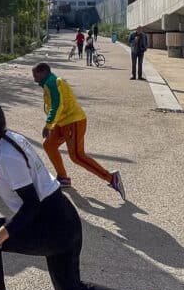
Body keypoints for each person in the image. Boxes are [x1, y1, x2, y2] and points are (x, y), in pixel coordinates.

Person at [0, 100, 166, 290]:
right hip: (63, 220)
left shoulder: (7, 154)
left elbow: (31, 204)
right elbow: (9, 183)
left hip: (50, 225)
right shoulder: (11, 140)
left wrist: (1, 234)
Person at [32, 62, 123, 196]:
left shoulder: (53, 82)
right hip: (62, 122)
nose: (34, 78)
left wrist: (49, 124)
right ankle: (63, 178)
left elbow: (57, 105)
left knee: (77, 156)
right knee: (49, 145)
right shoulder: (48, 83)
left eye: (35, 75)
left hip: (73, 121)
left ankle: (111, 178)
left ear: (43, 72)